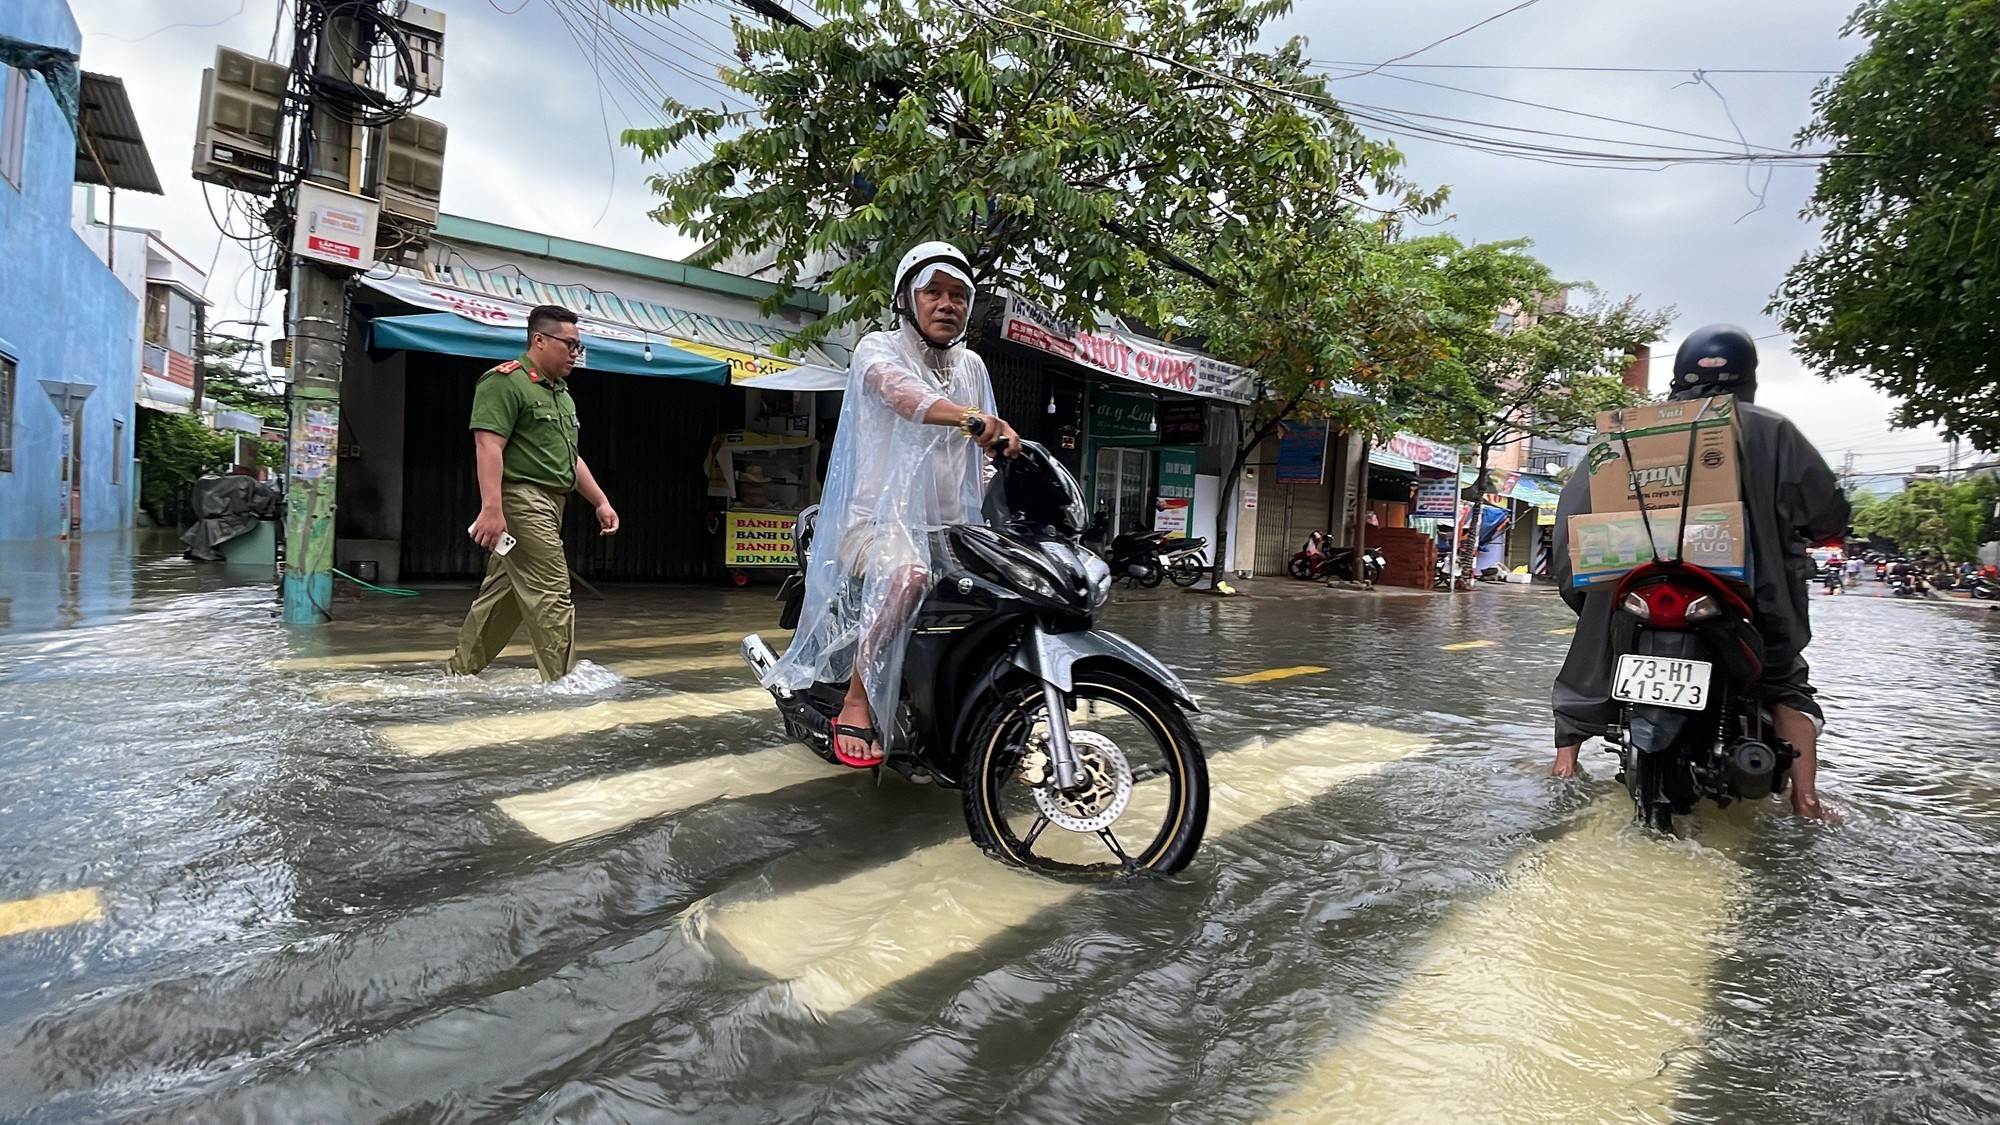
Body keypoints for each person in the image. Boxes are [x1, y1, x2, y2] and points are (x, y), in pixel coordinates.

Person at [1549, 324, 1850, 819]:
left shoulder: (1625, 433)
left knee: (1591, 657)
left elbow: (1572, 529)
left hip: (1634, 589)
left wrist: (1587, 599)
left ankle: (1564, 763)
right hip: (1750, 594)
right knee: (1784, 680)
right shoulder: (1771, 429)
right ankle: (1808, 801)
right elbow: (1826, 514)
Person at [764, 242, 1020, 766]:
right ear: (907, 299)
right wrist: (971, 420)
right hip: (875, 522)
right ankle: (858, 700)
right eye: (934, 292)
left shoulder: (971, 366)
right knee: (908, 575)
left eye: (959, 295)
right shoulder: (876, 349)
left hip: (951, 527)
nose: (948, 304)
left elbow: (986, 455)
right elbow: (902, 395)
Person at [447, 305, 620, 682]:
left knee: (503, 594)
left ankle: (460, 673)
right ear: (539, 340)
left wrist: (601, 501)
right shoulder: (504, 382)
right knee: (552, 591)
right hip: (521, 501)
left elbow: (568, 458)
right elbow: (487, 446)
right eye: (570, 344)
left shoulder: (561, 394)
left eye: (579, 346)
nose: (576, 353)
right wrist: (491, 508)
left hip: (551, 503)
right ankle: (564, 682)